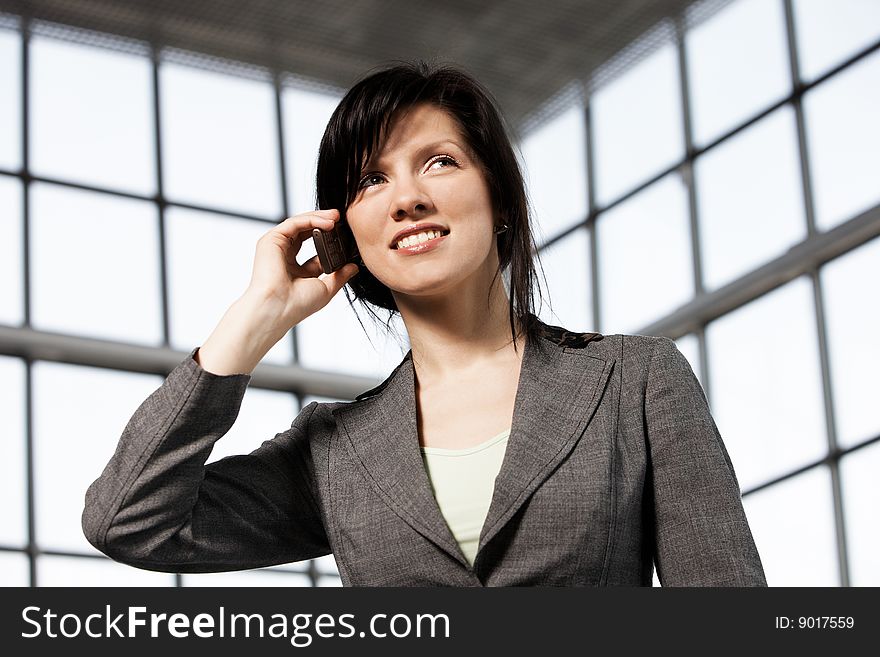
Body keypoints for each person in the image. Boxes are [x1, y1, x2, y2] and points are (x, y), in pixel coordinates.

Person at [82, 61, 767, 586]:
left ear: (498, 195)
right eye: (370, 180)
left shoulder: (635, 381)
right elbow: (128, 521)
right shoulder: (334, 449)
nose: (407, 197)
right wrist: (252, 320)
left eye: (439, 162)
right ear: (346, 231)